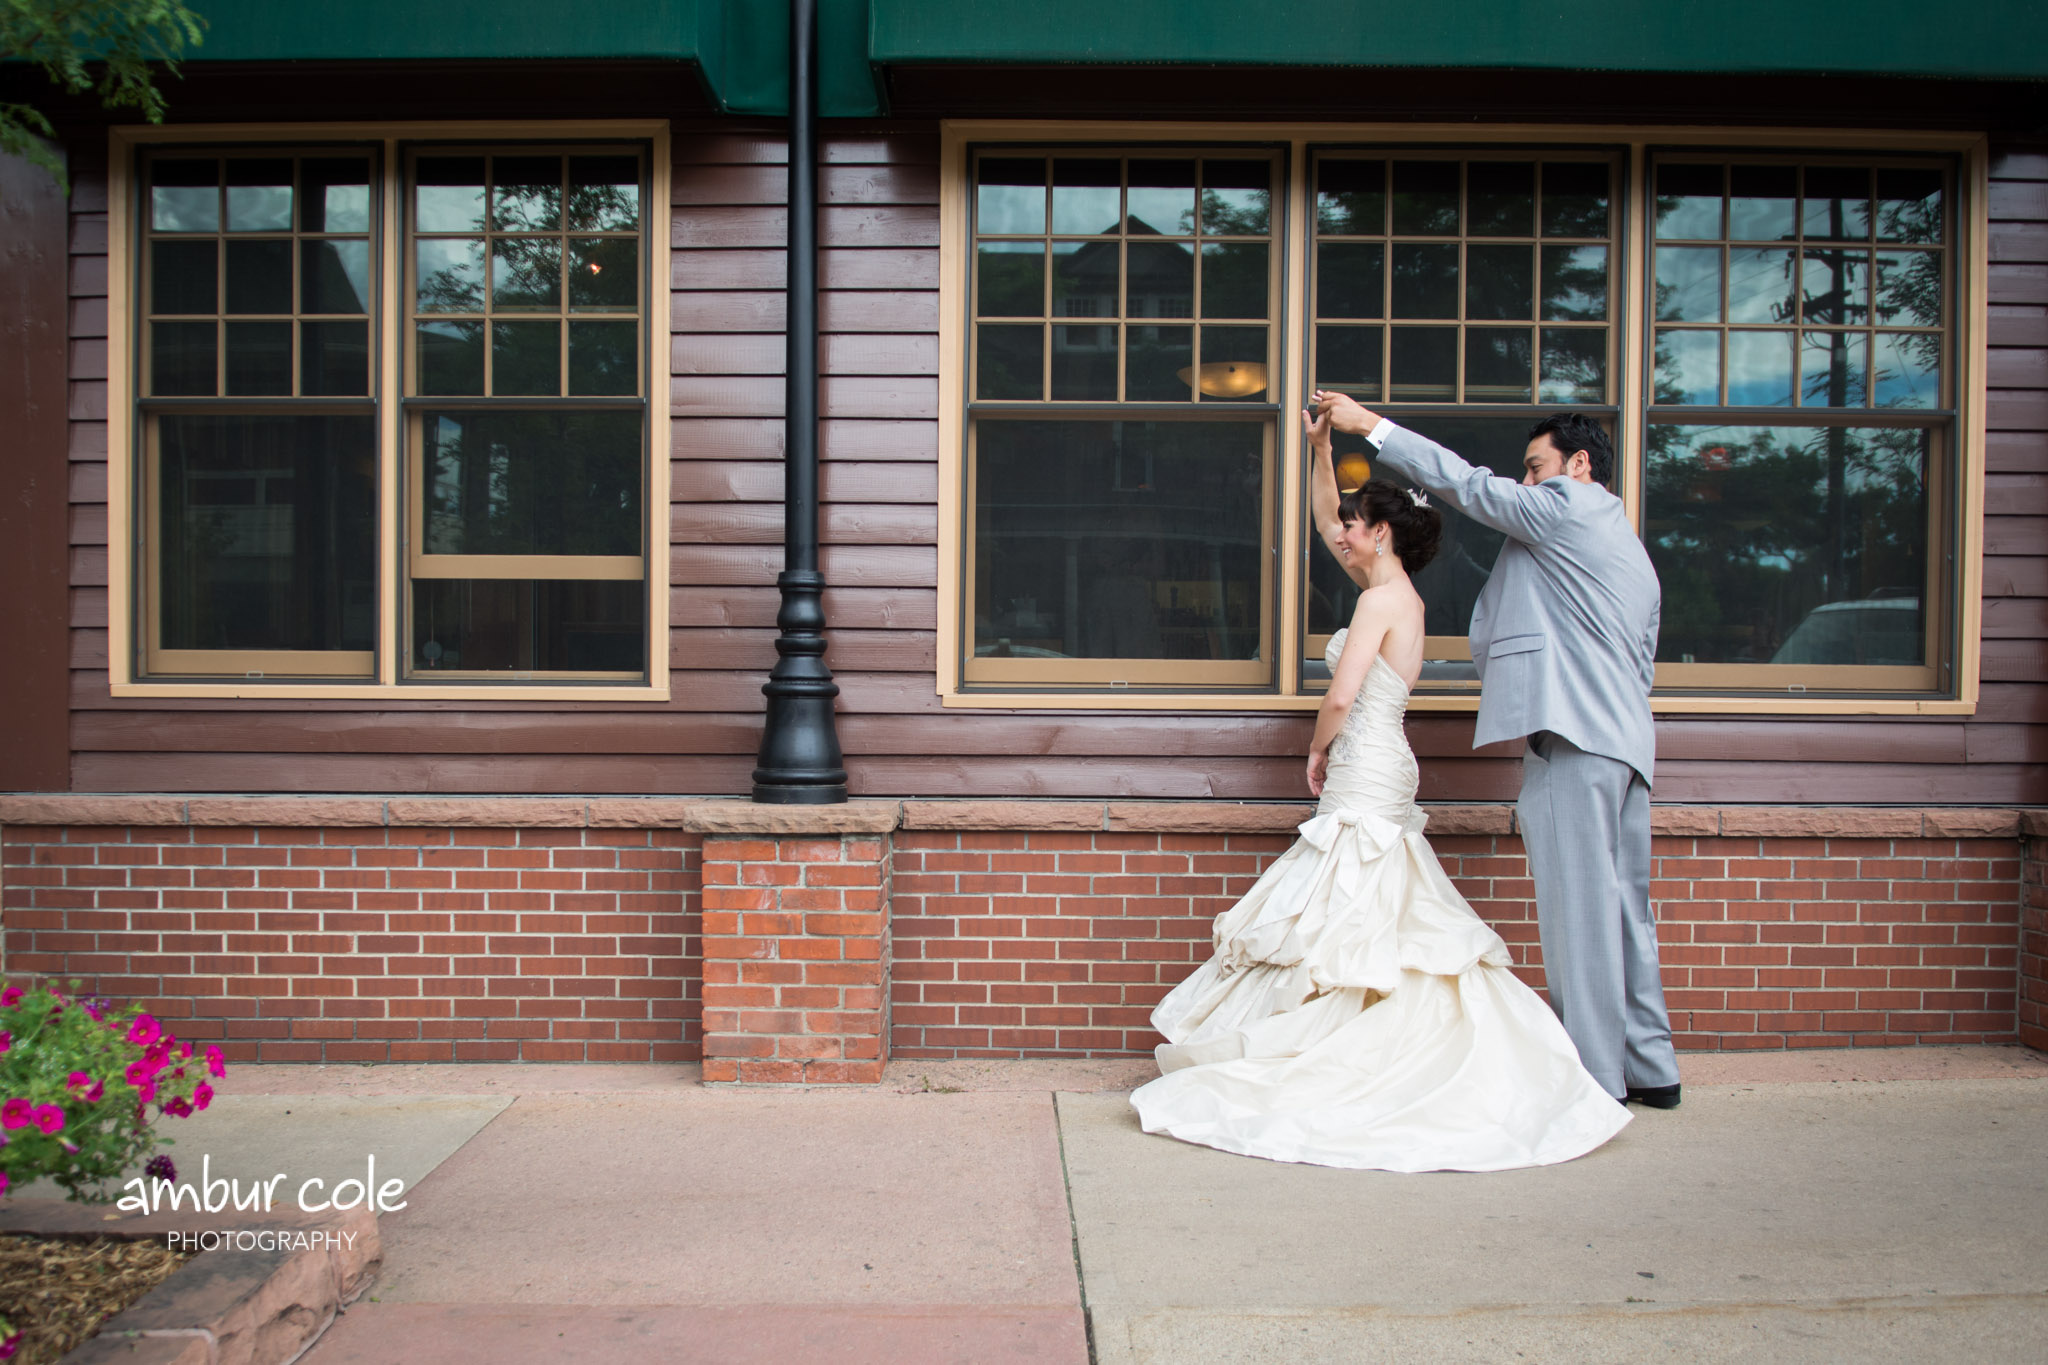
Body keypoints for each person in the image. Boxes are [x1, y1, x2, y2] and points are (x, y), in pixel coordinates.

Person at [1128, 411, 1633, 1172]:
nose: (1342, 534)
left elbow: (1343, 691)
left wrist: (1317, 746)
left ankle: (1348, 1049)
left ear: (1383, 535)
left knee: (1351, 903)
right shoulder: (1399, 595)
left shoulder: (1376, 603)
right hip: (1386, 762)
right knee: (1376, 906)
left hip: (1362, 760)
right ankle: (1361, 1033)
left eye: (1356, 526)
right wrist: (1322, 452)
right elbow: (1325, 514)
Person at [1309, 393, 1680, 1111]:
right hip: (1628, 745)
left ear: (1578, 464)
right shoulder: (1628, 547)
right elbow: (1642, 659)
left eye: (1536, 468)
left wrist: (1369, 426)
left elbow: (1470, 486)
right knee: (1627, 910)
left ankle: (1597, 1078)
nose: (1527, 483)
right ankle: (1652, 1067)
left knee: (1581, 916)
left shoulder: (1568, 506)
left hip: (1574, 740)